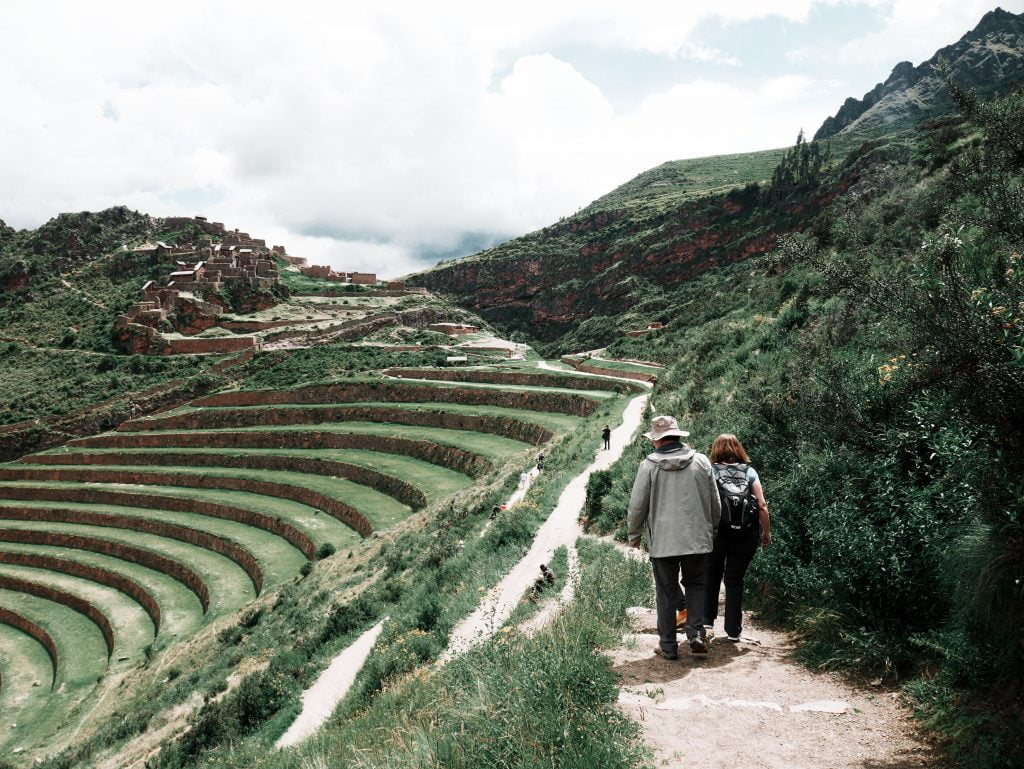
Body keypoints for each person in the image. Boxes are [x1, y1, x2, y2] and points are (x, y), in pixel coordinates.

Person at [628, 415, 721, 658]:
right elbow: (715, 502)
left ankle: (668, 646)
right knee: (696, 586)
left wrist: (634, 536)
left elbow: (638, 505)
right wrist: (712, 529)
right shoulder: (701, 462)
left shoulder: (648, 466)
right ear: (678, 437)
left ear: (657, 441)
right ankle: (696, 634)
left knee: (666, 592)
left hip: (663, 540)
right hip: (696, 536)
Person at [703, 434, 771, 643]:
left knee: (711, 575)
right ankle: (733, 631)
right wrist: (766, 531)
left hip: (717, 534)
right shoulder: (750, 472)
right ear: (739, 449)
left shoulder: (711, 471)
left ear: (715, 450)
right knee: (734, 580)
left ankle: (706, 623)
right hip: (745, 535)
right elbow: (761, 505)